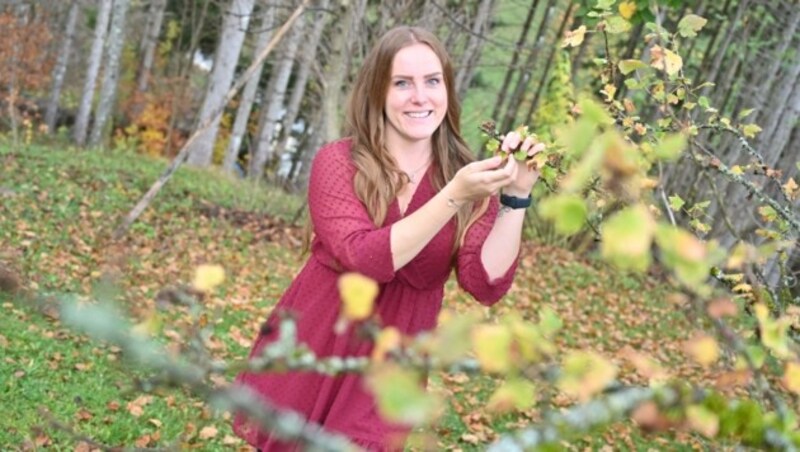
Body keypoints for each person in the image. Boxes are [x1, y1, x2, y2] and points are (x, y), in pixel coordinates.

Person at [233, 25, 544, 451]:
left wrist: (516, 196)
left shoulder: (467, 180)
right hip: (318, 341)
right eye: (402, 83)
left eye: (432, 81)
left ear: (448, 91)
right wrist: (454, 195)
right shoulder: (340, 162)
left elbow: (485, 282)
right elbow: (365, 257)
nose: (420, 97)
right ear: (378, 91)